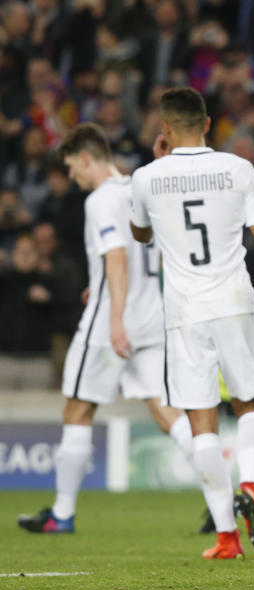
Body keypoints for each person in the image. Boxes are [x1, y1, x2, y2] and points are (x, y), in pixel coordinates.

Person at [129, 88, 254, 560]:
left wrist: (155, 165)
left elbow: (140, 234)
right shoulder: (237, 168)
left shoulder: (146, 177)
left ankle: (227, 537)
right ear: (208, 123)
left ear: (164, 129)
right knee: (249, 401)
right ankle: (251, 485)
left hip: (183, 312)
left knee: (201, 420)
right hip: (235, 301)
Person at [17, 123, 197, 534]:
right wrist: (99, 283)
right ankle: (221, 493)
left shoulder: (100, 200)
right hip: (152, 315)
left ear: (85, 158)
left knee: (78, 409)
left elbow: (116, 258)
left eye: (72, 169)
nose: (73, 178)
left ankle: (62, 514)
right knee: (167, 411)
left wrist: (114, 315)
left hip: (111, 323)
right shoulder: (139, 187)